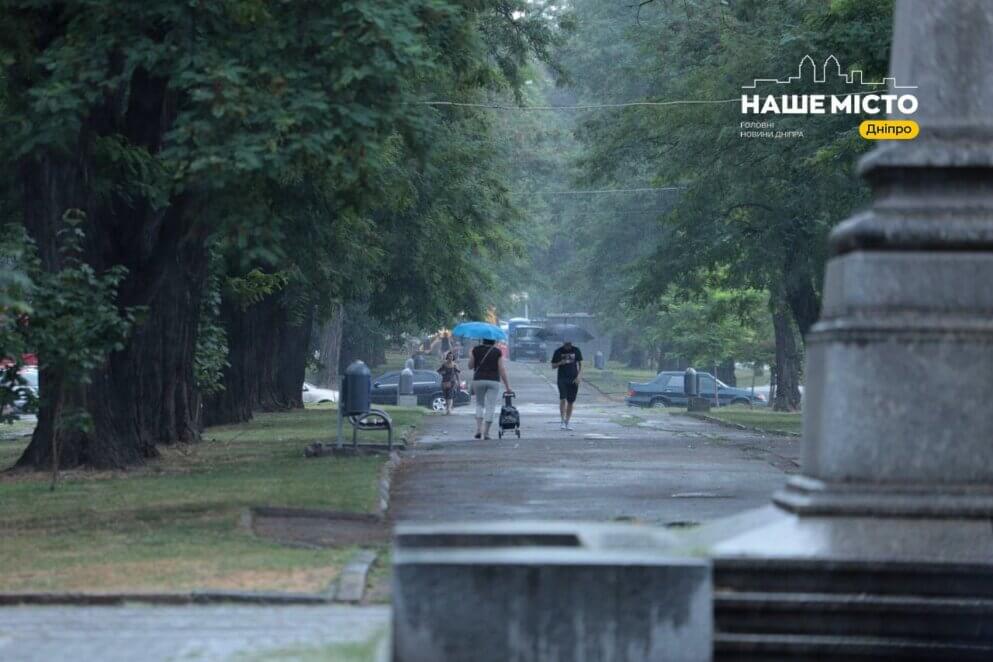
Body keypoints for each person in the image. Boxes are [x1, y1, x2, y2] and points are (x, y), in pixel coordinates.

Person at [468, 338, 512, 440]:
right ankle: (486, 433)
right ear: (494, 341)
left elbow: (470, 366)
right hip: (493, 381)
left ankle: (479, 430)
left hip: (478, 380)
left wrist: (471, 354)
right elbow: (501, 369)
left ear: (483, 340)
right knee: (490, 406)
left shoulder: (476, 350)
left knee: (479, 404)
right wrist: (507, 386)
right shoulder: (497, 352)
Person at [551, 340, 583, 430]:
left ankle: (567, 421)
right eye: (566, 342)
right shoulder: (558, 351)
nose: (568, 344)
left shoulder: (576, 350)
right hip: (562, 378)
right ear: (563, 342)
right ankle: (562, 421)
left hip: (573, 379)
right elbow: (553, 366)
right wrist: (560, 363)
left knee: (571, 401)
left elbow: (580, 364)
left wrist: (579, 376)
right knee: (563, 398)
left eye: (570, 342)